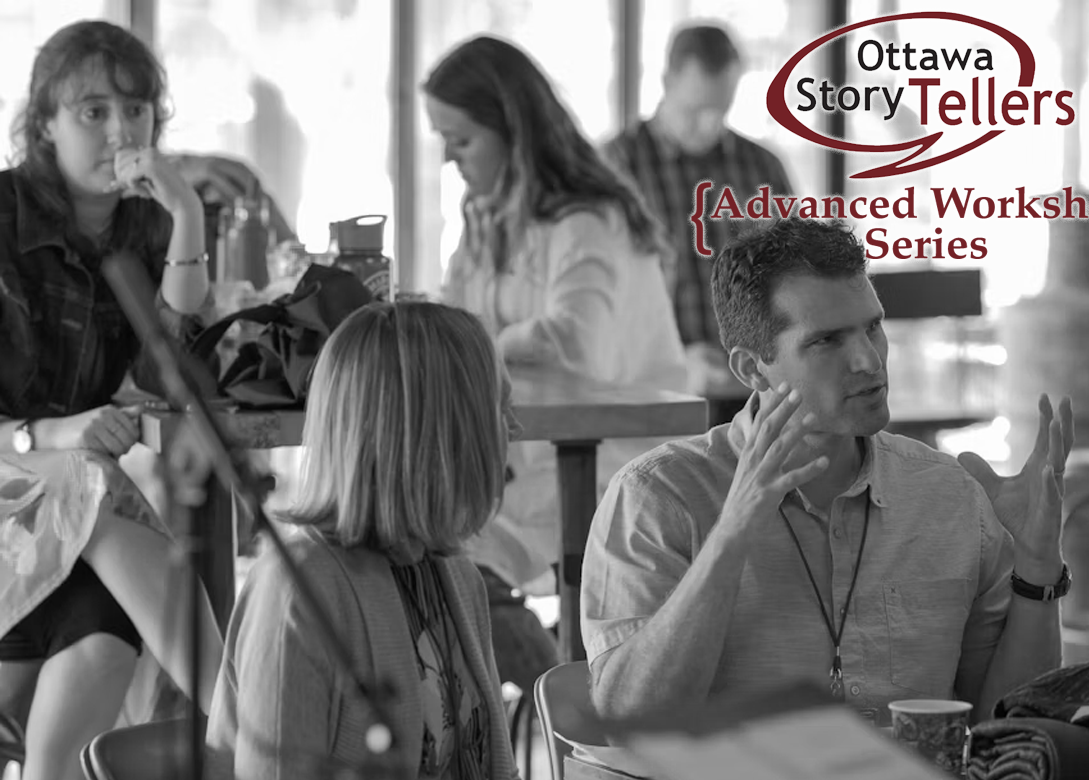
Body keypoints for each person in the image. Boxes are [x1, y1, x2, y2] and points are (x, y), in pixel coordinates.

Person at [581, 217, 1075, 736]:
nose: (868, 359)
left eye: (873, 327)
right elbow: (629, 722)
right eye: (826, 341)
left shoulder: (948, 494)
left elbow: (1009, 726)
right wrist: (732, 533)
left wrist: (1038, 567)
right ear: (752, 369)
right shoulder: (657, 496)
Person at [422, 35, 688, 697]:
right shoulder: (489, 220)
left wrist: (484, 339)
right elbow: (457, 320)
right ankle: (543, 698)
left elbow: (575, 339)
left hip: (607, 463)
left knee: (439, 547)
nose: (451, 161)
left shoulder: (588, 221)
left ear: (511, 130)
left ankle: (564, 697)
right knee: (421, 535)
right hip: (533, 454)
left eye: (461, 141)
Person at [0, 20, 224, 780]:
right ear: (44, 126)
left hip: (67, 516)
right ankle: (247, 724)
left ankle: (242, 728)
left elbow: (169, 370)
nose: (120, 131)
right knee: (96, 486)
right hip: (18, 482)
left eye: (136, 111)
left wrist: (188, 216)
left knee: (101, 631)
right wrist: (56, 435)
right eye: (92, 111)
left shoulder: (144, 224)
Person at [204, 300, 522, 780]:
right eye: (499, 410)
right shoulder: (299, 591)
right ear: (440, 435)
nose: (514, 428)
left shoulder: (457, 576)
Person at [603, 23, 796, 420]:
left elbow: (795, 276)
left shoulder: (762, 166)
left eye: (720, 109)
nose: (708, 124)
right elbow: (602, 295)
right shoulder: (614, 167)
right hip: (651, 392)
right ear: (666, 81)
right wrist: (675, 361)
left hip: (755, 392)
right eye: (695, 110)